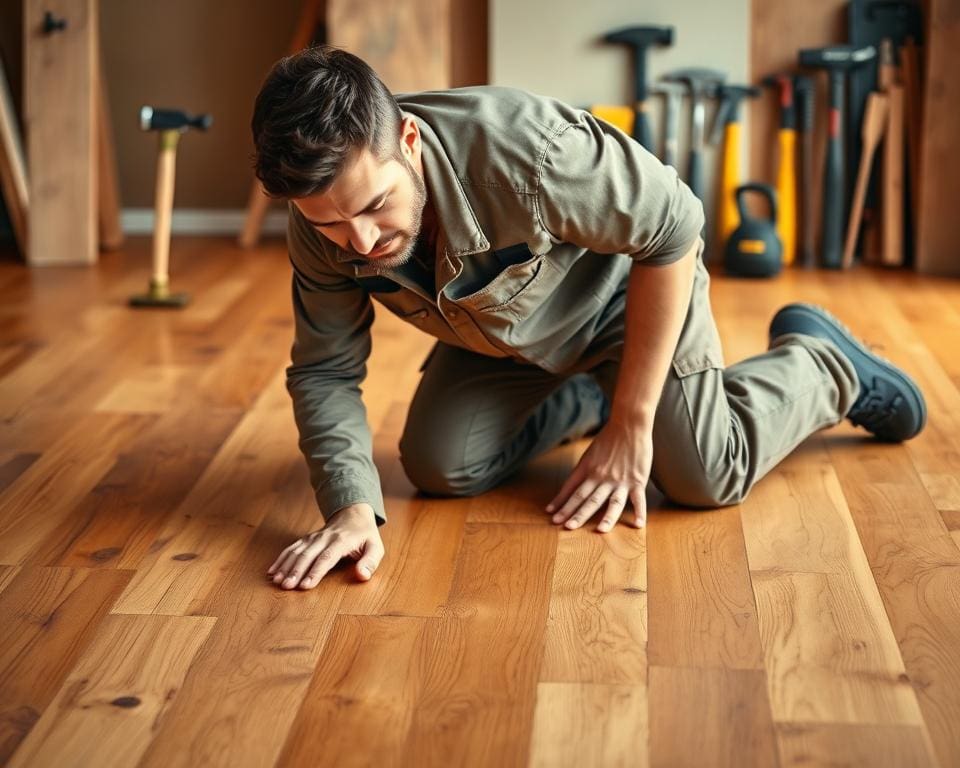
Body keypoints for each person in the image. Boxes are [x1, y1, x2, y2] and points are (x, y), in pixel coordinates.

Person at [253, 45, 927, 591]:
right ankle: (587, 394)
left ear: (407, 139)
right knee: (439, 465)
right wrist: (348, 510)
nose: (362, 242)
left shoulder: (534, 155)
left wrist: (634, 425)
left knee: (704, 475)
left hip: (628, 301)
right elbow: (325, 367)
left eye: (376, 207)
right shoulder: (319, 218)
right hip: (515, 339)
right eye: (335, 225)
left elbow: (676, 231)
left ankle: (824, 363)